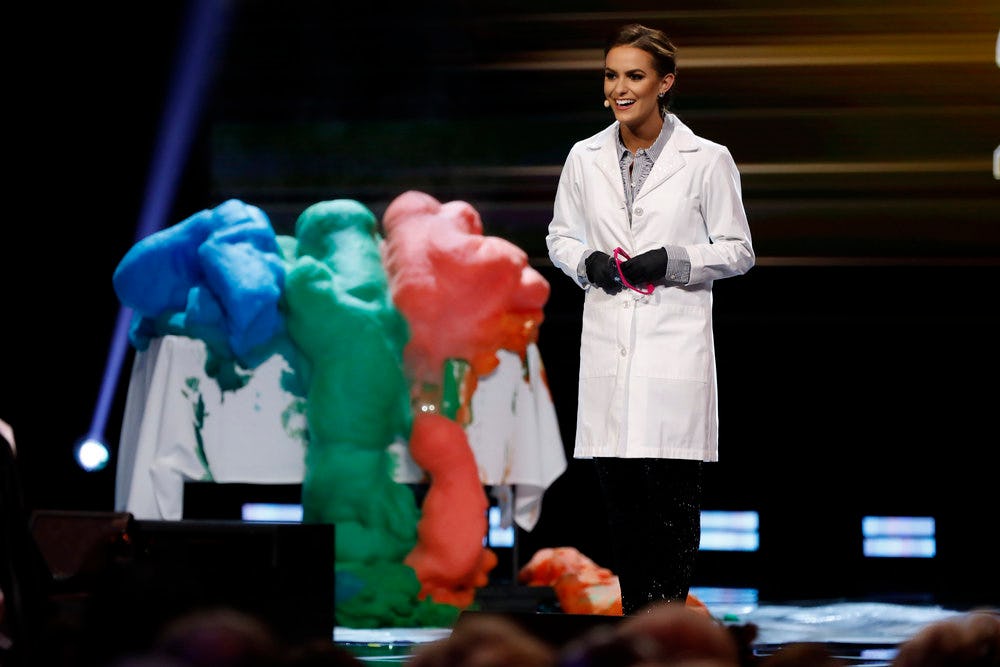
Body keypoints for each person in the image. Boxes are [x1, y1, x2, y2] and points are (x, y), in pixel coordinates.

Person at [545, 22, 755, 615]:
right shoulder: (584, 157)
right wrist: (585, 262)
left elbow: (738, 250)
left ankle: (665, 621)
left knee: (669, 498)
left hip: (672, 344)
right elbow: (560, 234)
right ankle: (638, 622)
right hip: (610, 340)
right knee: (621, 498)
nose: (619, 88)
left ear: (664, 83)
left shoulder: (706, 159)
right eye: (611, 75)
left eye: (633, 76)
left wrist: (675, 260)